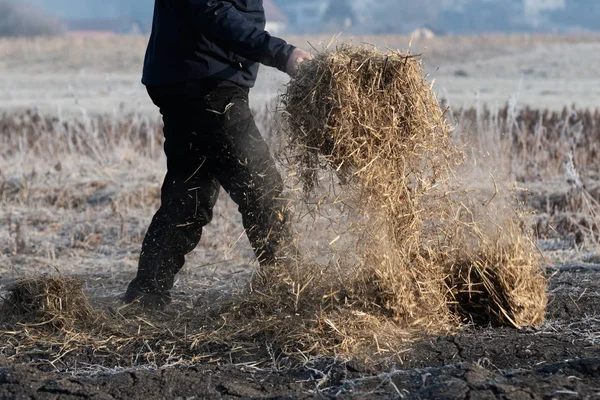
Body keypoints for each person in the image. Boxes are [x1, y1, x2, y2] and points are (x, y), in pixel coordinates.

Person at [123, 0, 313, 309]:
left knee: (188, 198)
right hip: (206, 82)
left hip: (187, 74)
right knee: (262, 189)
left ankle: (145, 297)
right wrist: (282, 53)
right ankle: (292, 292)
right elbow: (211, 9)